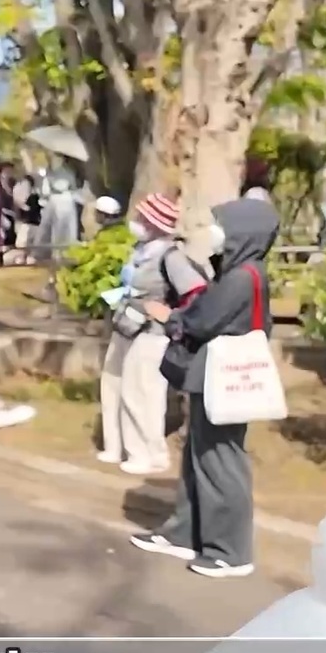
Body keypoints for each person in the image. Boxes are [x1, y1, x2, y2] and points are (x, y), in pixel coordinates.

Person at [132, 198, 279, 579]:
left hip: (225, 379)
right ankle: (187, 533)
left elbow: (202, 320)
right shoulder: (239, 271)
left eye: (222, 226)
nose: (215, 233)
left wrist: (170, 317)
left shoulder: (243, 276)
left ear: (244, 233)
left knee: (220, 460)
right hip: (211, 376)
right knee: (199, 454)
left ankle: (230, 551)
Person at [99, 195, 206, 476]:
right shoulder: (140, 250)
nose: (136, 222)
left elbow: (196, 290)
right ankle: (115, 444)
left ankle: (146, 454)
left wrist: (171, 316)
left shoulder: (171, 256)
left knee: (141, 392)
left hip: (151, 333)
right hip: (126, 324)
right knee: (112, 383)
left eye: (142, 218)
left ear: (154, 224)